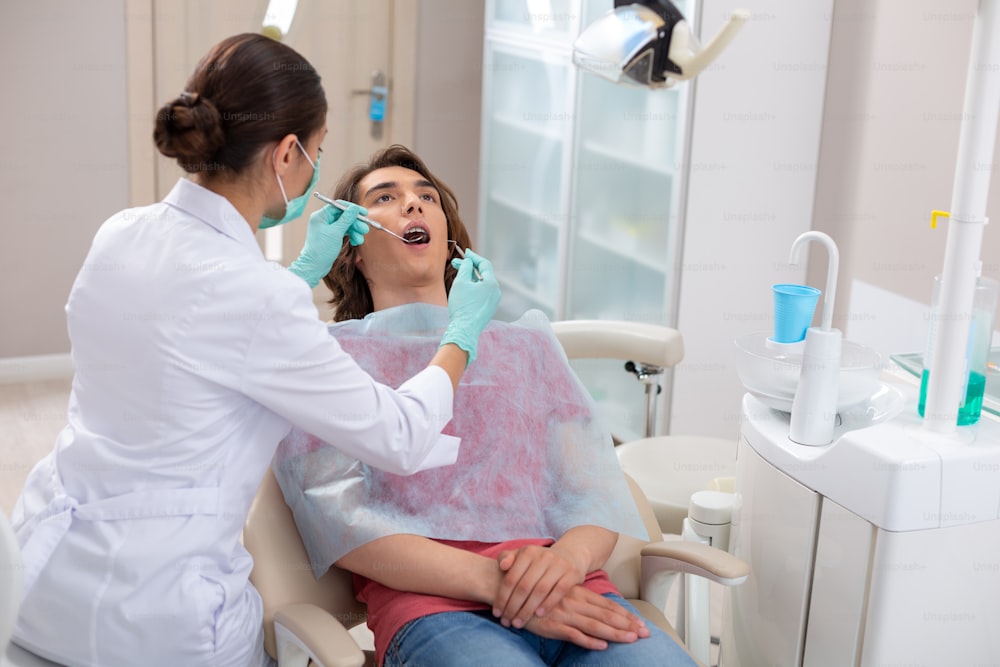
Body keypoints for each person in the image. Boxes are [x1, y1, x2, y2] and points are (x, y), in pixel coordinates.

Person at [10, 35, 498, 667]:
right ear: (288, 154)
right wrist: (462, 337)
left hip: (39, 576)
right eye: (319, 151)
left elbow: (203, 333)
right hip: (157, 619)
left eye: (424, 194)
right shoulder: (263, 300)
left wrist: (296, 273)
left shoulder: (121, 233)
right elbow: (400, 437)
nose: (408, 203)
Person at [273, 145, 697, 666]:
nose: (414, 205)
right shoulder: (329, 357)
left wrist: (567, 560)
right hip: (434, 610)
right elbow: (344, 522)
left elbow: (592, 489)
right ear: (353, 246)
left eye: (427, 197)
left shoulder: (527, 347)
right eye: (387, 197)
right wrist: (500, 585)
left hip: (572, 593)